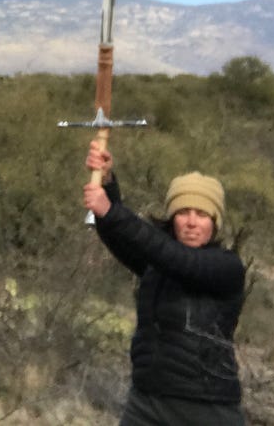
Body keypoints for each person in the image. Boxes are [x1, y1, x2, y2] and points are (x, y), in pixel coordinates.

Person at [83, 140, 246, 426]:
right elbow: (125, 238)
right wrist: (107, 183)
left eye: (202, 214)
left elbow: (177, 260)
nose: (192, 222)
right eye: (183, 212)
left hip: (207, 408)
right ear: (172, 219)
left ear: (215, 222)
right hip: (147, 402)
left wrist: (112, 210)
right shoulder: (157, 264)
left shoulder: (226, 267)